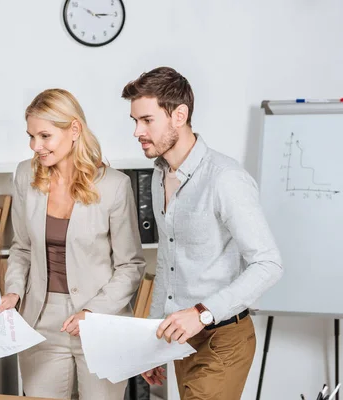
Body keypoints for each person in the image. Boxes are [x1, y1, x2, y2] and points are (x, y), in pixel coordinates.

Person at [121, 67, 283, 399]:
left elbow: (269, 264)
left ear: (179, 115)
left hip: (223, 337)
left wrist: (201, 313)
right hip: (179, 339)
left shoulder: (225, 179)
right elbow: (166, 263)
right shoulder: (159, 175)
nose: (137, 131)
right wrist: (154, 339)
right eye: (134, 121)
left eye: (147, 120)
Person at [0, 88, 146, 399]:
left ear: (74, 130)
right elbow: (22, 248)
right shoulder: (26, 175)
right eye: (31, 136)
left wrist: (92, 311)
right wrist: (13, 290)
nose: (35, 146)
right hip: (40, 318)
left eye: (44, 136)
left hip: (100, 320)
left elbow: (131, 266)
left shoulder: (115, 185)